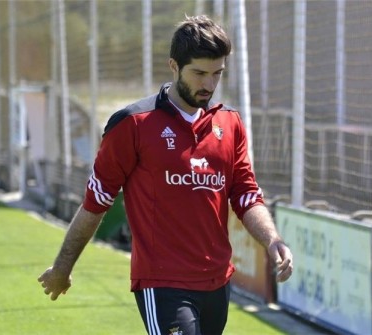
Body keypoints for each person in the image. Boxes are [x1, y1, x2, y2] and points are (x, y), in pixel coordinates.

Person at [38, 15, 293, 335]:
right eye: (199, 73)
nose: (209, 85)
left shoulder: (230, 124)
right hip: (162, 282)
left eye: (217, 74)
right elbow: (96, 201)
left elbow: (245, 194)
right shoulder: (133, 124)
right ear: (174, 66)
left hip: (217, 282)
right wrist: (63, 265)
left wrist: (273, 241)